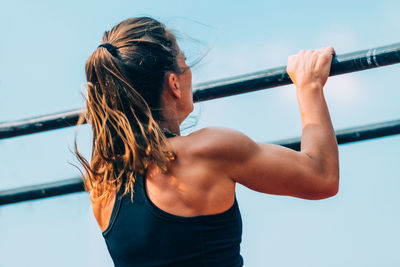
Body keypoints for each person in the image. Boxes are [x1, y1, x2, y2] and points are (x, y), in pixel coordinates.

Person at [75, 17, 339, 267]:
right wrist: (310, 86)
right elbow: (321, 175)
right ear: (174, 84)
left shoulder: (102, 187)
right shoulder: (204, 152)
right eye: (184, 61)